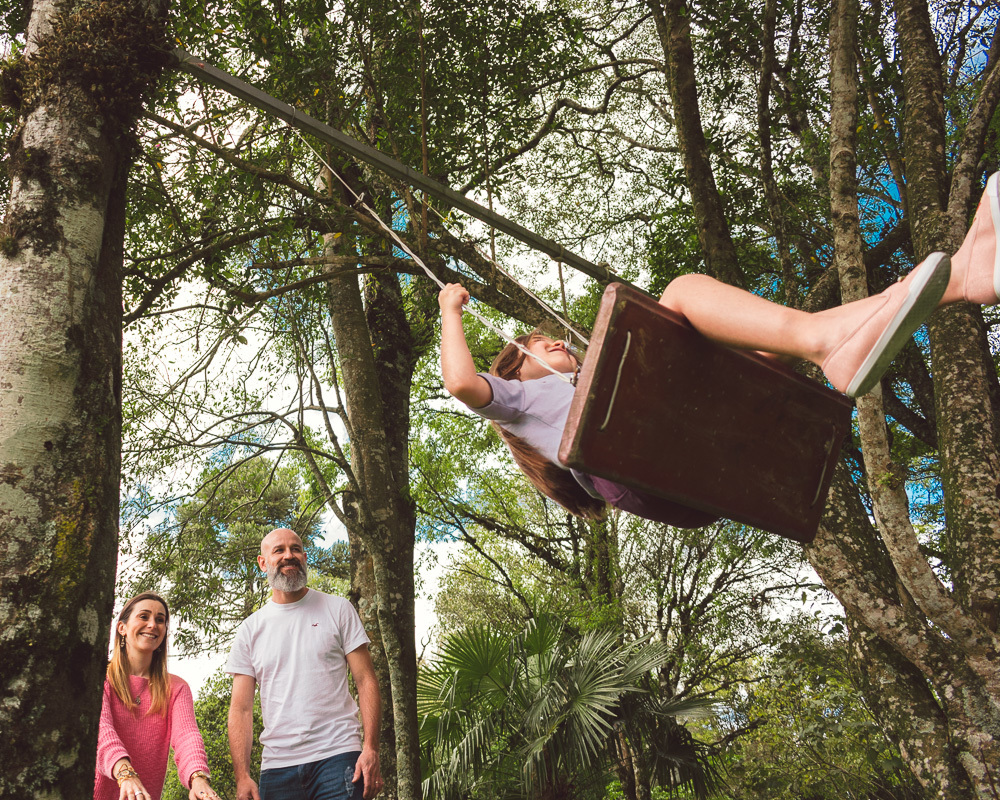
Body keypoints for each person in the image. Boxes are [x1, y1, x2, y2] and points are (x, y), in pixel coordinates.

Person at [439, 173, 1000, 523]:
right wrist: (449, 308)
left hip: (686, 470)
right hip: (634, 471)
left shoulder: (600, 388)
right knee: (681, 294)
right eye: (538, 345)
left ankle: (962, 278)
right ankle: (827, 342)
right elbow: (462, 383)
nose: (557, 341)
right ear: (516, 369)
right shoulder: (517, 403)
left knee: (753, 357)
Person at [226, 527, 383, 800]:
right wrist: (242, 776)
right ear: (263, 563)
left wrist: (370, 748)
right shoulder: (250, 630)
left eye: (296, 549)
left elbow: (366, 680)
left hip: (338, 755)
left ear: (304, 557)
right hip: (277, 766)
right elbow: (241, 709)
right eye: (279, 550)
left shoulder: (338, 609)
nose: (289, 555)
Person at [94, 592, 220, 800]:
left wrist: (198, 779)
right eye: (144, 616)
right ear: (122, 628)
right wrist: (126, 774)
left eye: (160, 620)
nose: (153, 624)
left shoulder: (177, 688)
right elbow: (102, 731)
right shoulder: (100, 679)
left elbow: (187, 736)